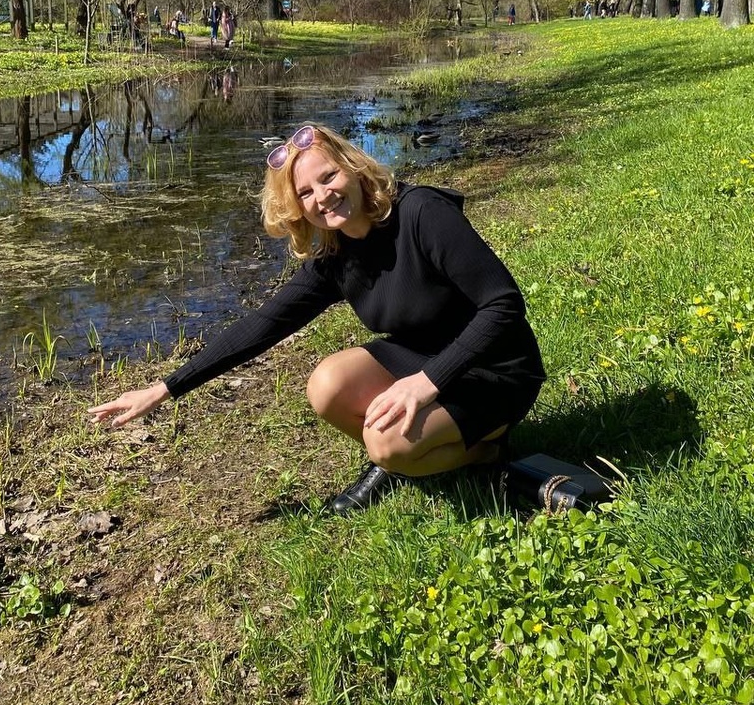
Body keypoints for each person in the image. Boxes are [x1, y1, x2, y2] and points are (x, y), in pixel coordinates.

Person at [89, 125, 546, 515]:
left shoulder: (423, 212)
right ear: (297, 208)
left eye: (328, 177)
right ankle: (427, 454)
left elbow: (503, 305)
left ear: (352, 167)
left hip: (495, 367)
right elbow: (264, 324)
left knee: (387, 443)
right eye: (305, 193)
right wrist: (164, 388)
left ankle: (481, 450)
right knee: (326, 385)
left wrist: (428, 381)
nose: (322, 196)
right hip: (423, 355)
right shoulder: (335, 255)